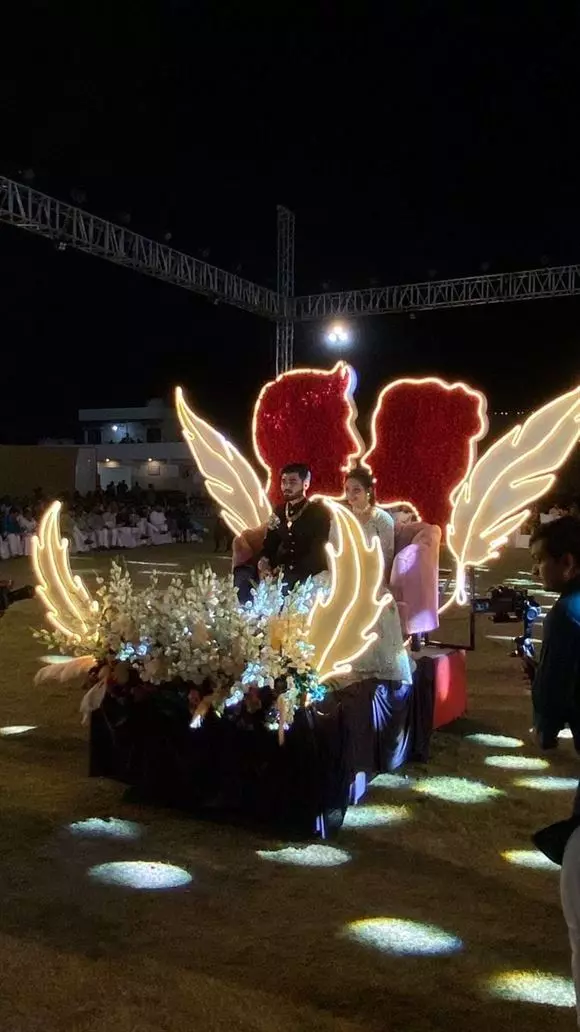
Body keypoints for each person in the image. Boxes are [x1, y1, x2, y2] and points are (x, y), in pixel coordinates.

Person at [343, 467, 412, 683]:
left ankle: (371, 664)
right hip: (344, 574)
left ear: (368, 492)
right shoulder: (343, 518)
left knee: (373, 602)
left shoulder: (382, 519)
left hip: (372, 577)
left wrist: (363, 575)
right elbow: (335, 549)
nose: (351, 495)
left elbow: (385, 556)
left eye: (356, 490)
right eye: (347, 490)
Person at [526, 516, 580, 750]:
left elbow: (552, 689)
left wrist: (544, 730)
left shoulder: (566, 613)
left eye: (539, 560)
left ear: (567, 563)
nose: (534, 570)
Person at [259, 462, 330, 590]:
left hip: (311, 572)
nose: (286, 486)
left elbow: (318, 550)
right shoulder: (279, 511)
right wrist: (265, 562)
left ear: (305, 484)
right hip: (282, 572)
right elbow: (270, 543)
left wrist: (290, 571)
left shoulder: (318, 512)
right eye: (283, 482)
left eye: (292, 482)